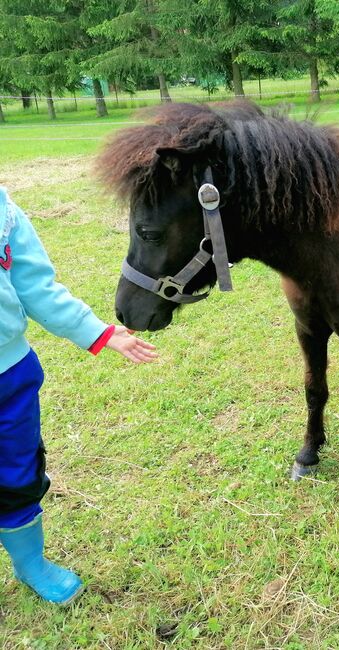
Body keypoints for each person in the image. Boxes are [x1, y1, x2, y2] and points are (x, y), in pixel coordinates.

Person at [0, 187, 157, 605]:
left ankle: (31, 563)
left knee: (17, 474)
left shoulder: (4, 213)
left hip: (9, 376)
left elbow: (36, 287)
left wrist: (99, 332)